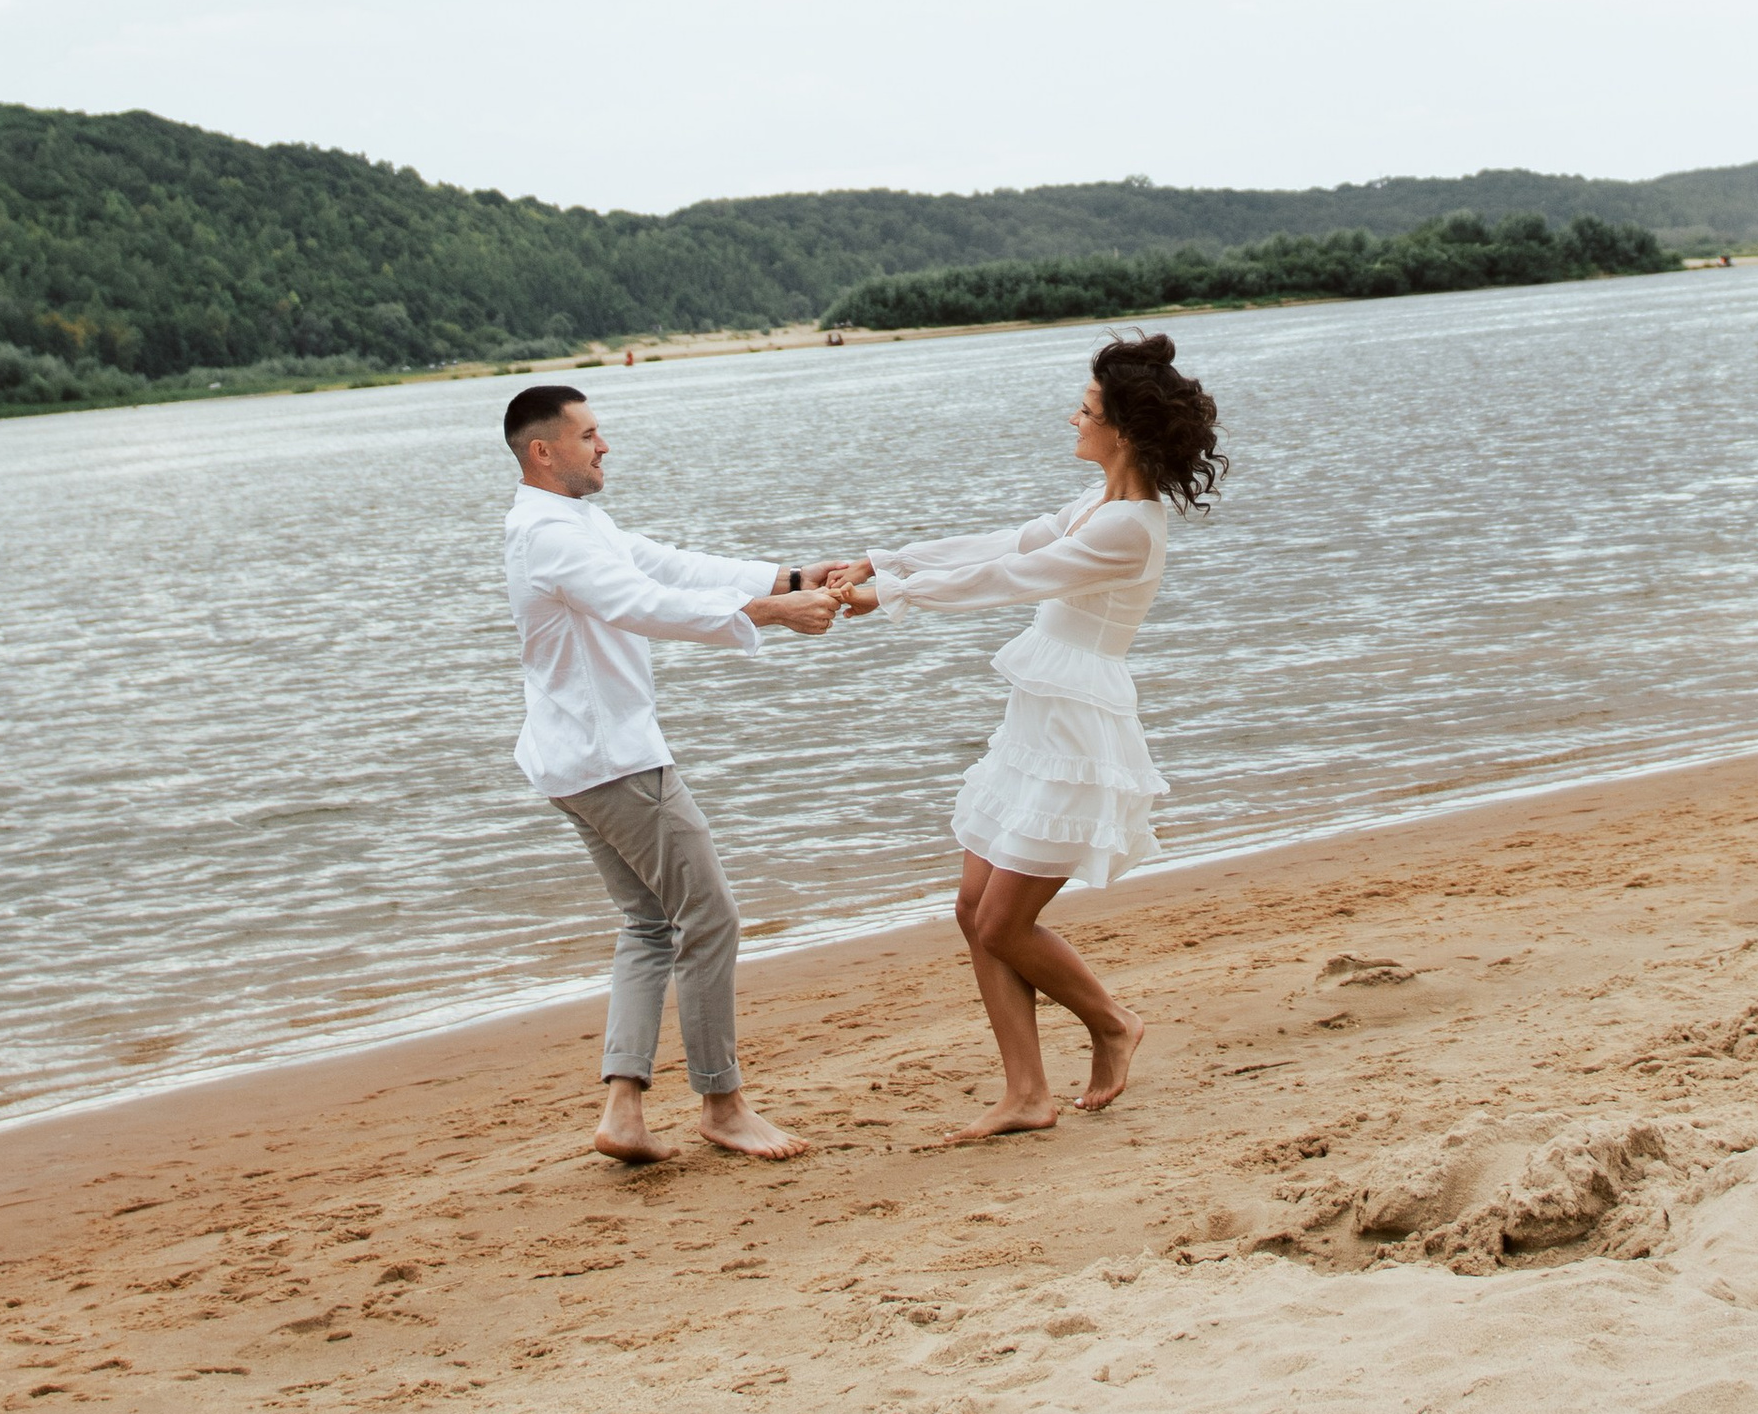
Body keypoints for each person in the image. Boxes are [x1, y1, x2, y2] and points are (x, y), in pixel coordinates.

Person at [821, 331, 1223, 1141]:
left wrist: (892, 595)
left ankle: (1112, 1022)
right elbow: (1008, 544)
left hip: (1077, 731)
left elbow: (1013, 579)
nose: (1073, 418)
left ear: (1123, 430)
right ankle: (1027, 1094)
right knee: (973, 908)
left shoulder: (1130, 527)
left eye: (1087, 409)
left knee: (1004, 922)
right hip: (1037, 718)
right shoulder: (1099, 503)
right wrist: (883, 559)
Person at [503, 381, 841, 1165]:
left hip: (575, 761)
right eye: (588, 435)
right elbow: (641, 605)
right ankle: (723, 1104)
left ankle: (623, 1112)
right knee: (710, 917)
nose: (604, 445)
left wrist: (788, 579)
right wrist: (773, 615)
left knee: (651, 923)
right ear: (543, 451)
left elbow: (667, 566)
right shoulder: (548, 535)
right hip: (614, 761)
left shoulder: (573, 520)